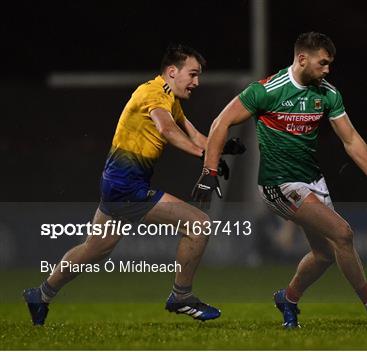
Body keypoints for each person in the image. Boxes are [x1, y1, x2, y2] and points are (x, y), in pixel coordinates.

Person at [192, 32, 367, 328]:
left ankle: (288, 298)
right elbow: (221, 122)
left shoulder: (328, 93)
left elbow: (351, 139)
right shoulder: (267, 90)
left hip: (312, 180)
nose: (328, 69)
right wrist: (209, 171)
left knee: (324, 255)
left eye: (330, 64)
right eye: (323, 63)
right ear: (302, 59)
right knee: (343, 234)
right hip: (278, 183)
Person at [23, 44, 245, 325]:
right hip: (127, 187)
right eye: (192, 74)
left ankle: (40, 294)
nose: (196, 82)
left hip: (117, 183)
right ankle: (181, 296)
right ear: (172, 72)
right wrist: (204, 156)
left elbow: (195, 135)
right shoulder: (153, 93)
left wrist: (221, 148)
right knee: (198, 224)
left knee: (95, 249)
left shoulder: (170, 99)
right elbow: (167, 129)